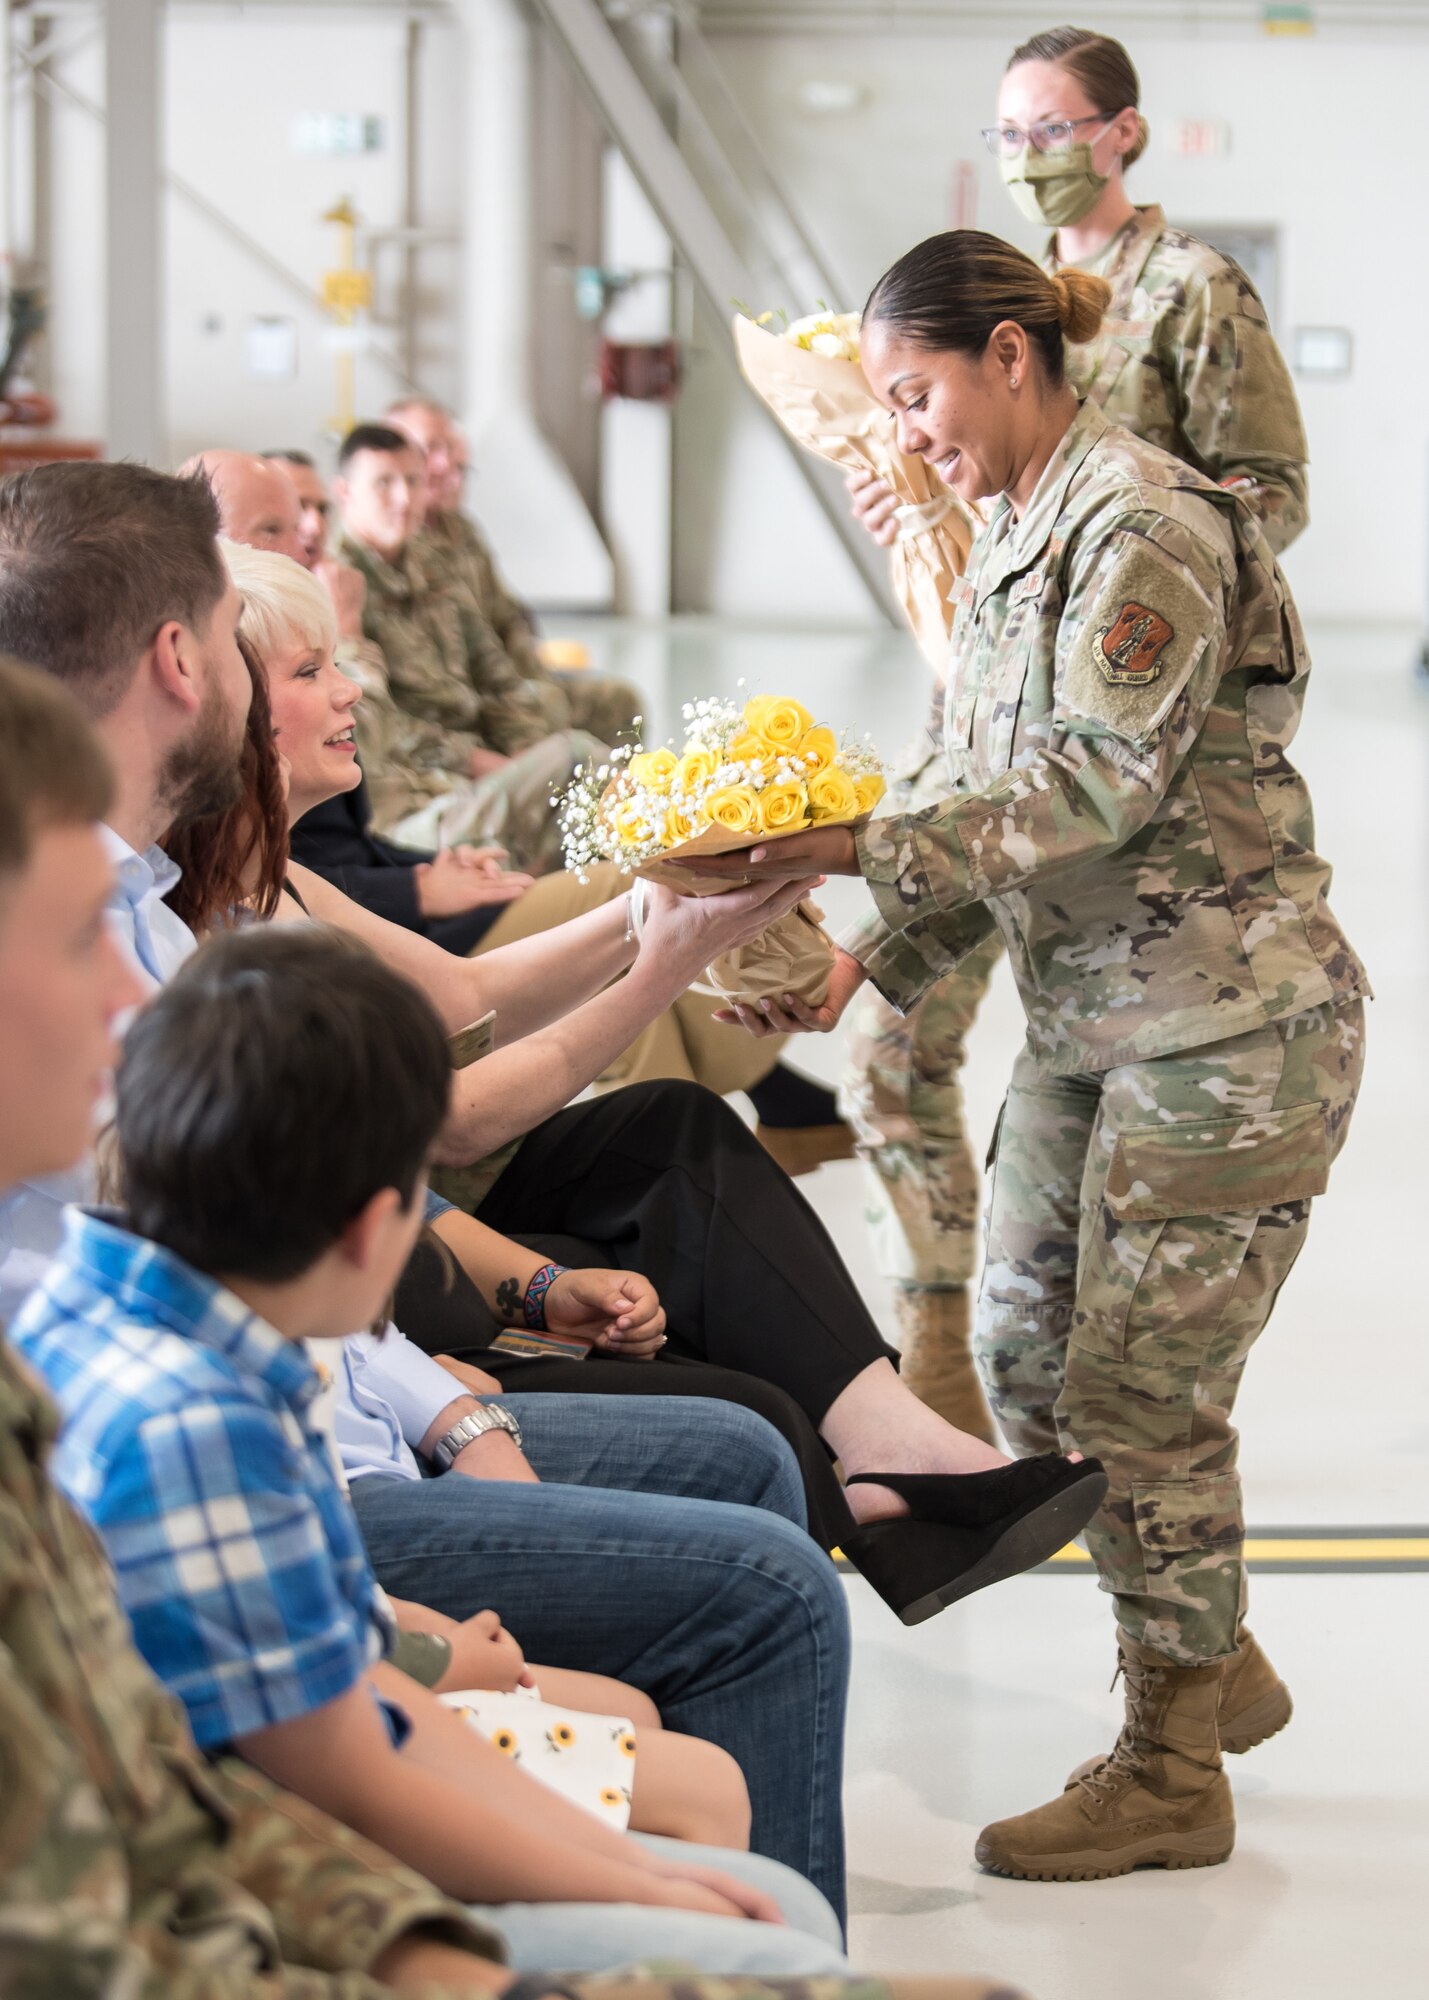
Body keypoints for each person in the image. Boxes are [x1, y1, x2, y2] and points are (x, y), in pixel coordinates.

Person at [0, 649, 1040, 2000]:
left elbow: (213, 1780)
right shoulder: (176, 1393)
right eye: (84, 941)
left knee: (744, 1417)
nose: (135, 1000)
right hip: (262, 1914)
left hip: (293, 1846)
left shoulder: (128, 1337)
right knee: (759, 1568)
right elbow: (239, 1820)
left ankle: (892, 1449)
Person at [0, 456, 863, 1918]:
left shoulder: (143, 894)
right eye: (277, 640)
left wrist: (669, 923)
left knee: (745, 1442)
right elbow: (424, 1121)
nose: (353, 685)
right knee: (759, 1577)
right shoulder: (112, 928)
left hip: (341, 1431)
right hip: (318, 1484)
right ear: (181, 658)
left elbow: (441, 1022)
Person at [693, 230, 1368, 1880]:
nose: (904, 432)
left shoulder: (1133, 518)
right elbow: (984, 805)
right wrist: (862, 959)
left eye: (914, 394)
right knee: (1019, 1361)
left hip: (1223, 1029)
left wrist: (839, 843)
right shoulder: (1007, 528)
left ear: (1007, 356)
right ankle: (1199, 1643)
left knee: (1137, 1402)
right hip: (1088, 1021)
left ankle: (1165, 1760)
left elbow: (1083, 793)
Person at [15, 923, 854, 1976]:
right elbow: (351, 1764)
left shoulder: (120, 1318)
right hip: (260, 1892)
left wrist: (626, 1867)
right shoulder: (198, 1418)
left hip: (294, 1811)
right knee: (781, 1939)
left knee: (750, 1895)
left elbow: (370, 1701)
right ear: (378, 1233)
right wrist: (631, 1879)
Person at [839, 22, 1313, 1443]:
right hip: (993, 720)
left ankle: (1051, 1389)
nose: (1030, 159)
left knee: (1132, 1377)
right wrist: (946, 514)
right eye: (1009, 137)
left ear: (1122, 133)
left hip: (1116, 732)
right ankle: (940, 1327)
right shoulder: (988, 316)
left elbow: (1262, 502)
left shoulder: (1190, 295)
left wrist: (1123, 549)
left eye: (1052, 130)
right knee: (882, 1032)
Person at [334, 422, 598, 874]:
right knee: (577, 759)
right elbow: (383, 727)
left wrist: (526, 752)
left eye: (412, 481)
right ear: (345, 493)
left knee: (571, 765)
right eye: (384, 483)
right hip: (423, 787)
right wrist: (492, 764)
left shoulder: (431, 563)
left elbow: (494, 669)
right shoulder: (338, 589)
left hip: (476, 759)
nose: (403, 498)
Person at [388, 395, 643, 749]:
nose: (446, 465)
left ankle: (618, 800)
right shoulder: (396, 547)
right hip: (459, 698)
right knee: (543, 716)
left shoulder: (461, 530)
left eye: (451, 451)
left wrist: (530, 675)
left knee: (619, 702)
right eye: (431, 449)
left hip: (504, 675)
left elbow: (507, 616)